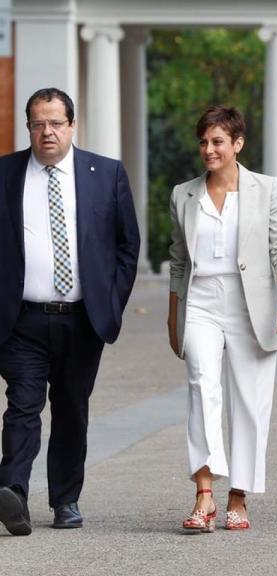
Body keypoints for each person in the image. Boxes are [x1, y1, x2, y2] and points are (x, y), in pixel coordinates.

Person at [0, 88, 140, 535]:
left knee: (71, 409)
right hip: (20, 318)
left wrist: (110, 305)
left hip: (81, 320)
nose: (47, 132)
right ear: (28, 127)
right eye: (39, 123)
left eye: (56, 123)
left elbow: (127, 246)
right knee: (22, 404)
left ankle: (66, 499)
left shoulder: (106, 174)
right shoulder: (5, 174)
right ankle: (13, 493)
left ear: (72, 125)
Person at [167, 105, 277, 532]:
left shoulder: (266, 189)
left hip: (251, 304)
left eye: (218, 141)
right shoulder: (183, 194)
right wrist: (174, 315)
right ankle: (204, 492)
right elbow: (177, 262)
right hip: (201, 300)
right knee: (201, 384)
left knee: (250, 399)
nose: (209, 149)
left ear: (237, 144)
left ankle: (238, 495)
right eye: (204, 141)